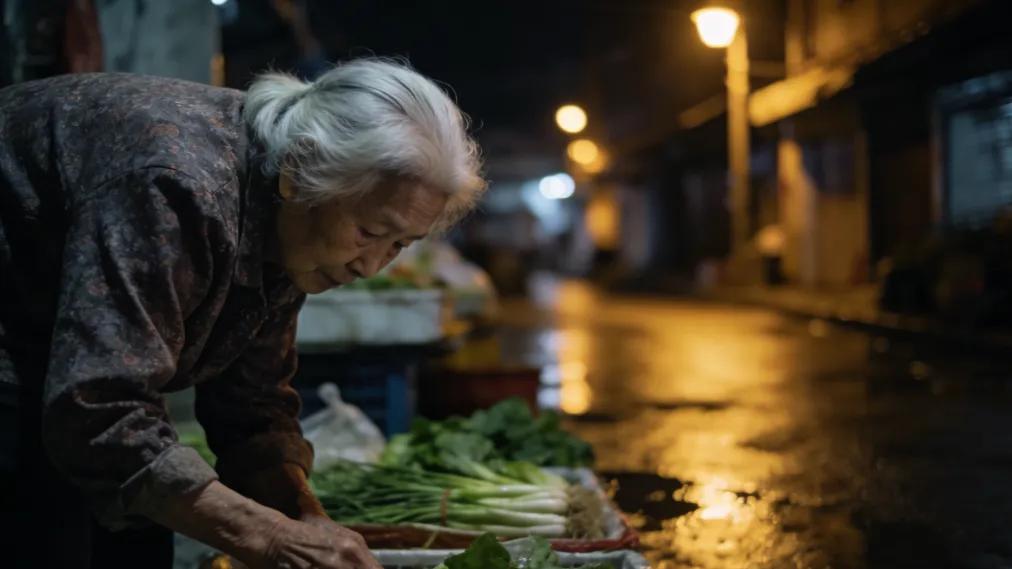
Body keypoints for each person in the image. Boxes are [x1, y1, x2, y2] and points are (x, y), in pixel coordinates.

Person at [0, 58, 484, 568]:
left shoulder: (292, 216)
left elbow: (252, 404)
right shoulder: (178, 185)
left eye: (400, 244)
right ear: (300, 174)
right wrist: (269, 537)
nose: (371, 266)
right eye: (368, 233)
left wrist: (303, 518)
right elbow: (95, 406)